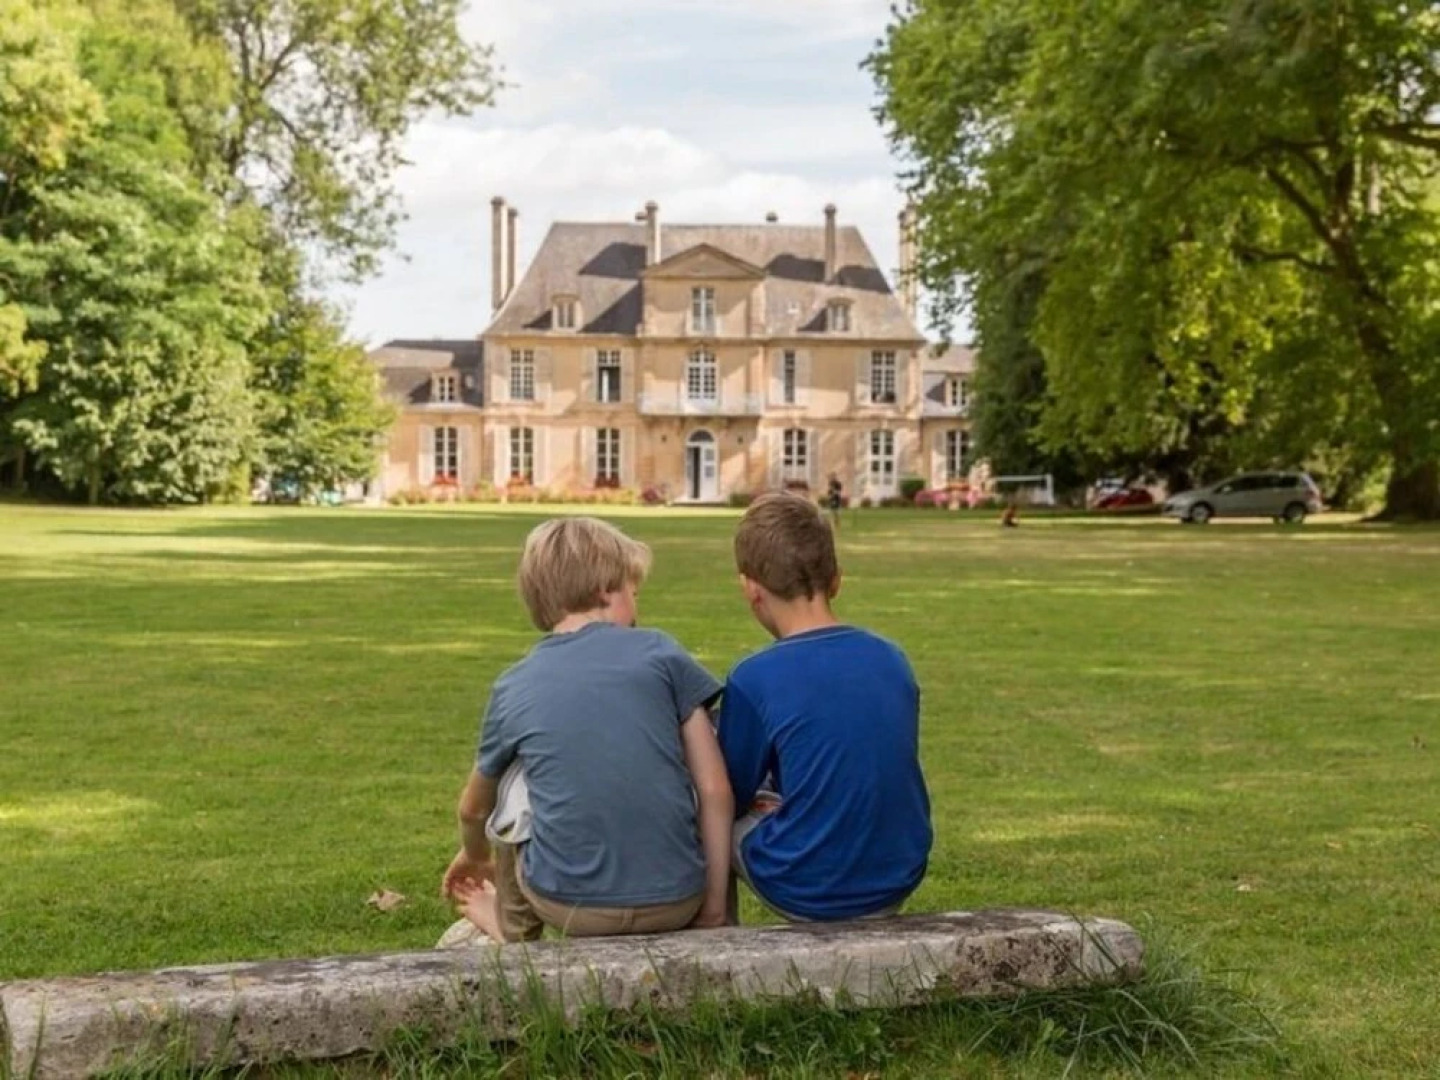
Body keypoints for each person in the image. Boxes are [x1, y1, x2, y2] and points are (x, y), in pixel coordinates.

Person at [441, 517, 733, 942]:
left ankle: (513, 931)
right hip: (677, 899)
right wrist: (713, 906)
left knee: (514, 784)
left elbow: (473, 809)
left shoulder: (515, 683)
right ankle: (713, 915)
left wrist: (474, 854)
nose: (637, 607)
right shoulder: (661, 652)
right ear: (605, 589)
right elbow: (715, 788)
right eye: (634, 593)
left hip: (570, 906)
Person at [717, 492, 932, 923]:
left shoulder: (755, 677)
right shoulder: (891, 657)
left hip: (810, 885)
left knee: (711, 812)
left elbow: (729, 794)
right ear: (836, 580)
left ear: (751, 590)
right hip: (898, 872)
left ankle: (718, 940)